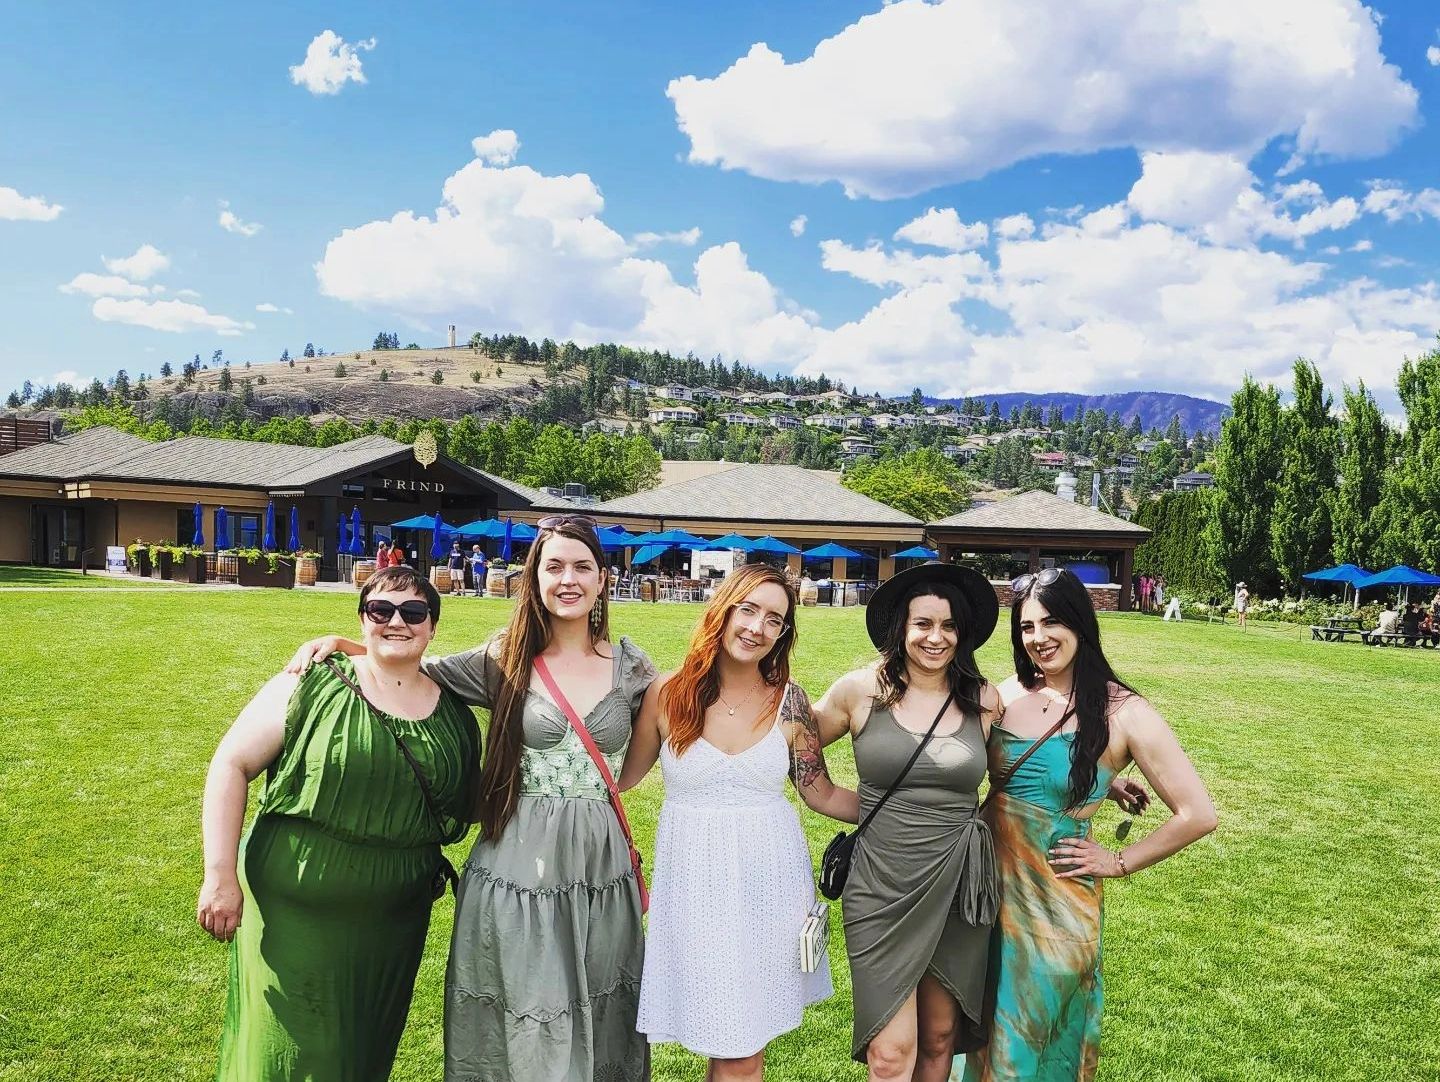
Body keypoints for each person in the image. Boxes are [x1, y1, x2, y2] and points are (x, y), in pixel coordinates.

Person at [286, 516, 656, 1081]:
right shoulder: (501, 657)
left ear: (603, 579)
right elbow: (410, 667)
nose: (568, 579)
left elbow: (653, 748)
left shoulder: (631, 667)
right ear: (534, 578)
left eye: (582, 567)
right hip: (517, 859)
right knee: (528, 1007)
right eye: (553, 566)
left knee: (604, 1007)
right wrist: (343, 644)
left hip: (600, 863)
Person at [199, 566, 480, 1080]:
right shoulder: (311, 681)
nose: (397, 621)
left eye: (413, 612)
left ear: (433, 628)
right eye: (381, 610)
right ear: (362, 618)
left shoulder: (453, 714)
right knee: (283, 1053)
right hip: (295, 911)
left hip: (393, 924)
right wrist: (219, 875)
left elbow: (472, 802)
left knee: (360, 1054)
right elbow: (230, 764)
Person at [962, 567, 1217, 1082]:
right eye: (1026, 627)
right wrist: (1100, 782)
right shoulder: (1004, 695)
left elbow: (1198, 814)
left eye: (1051, 622)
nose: (1038, 638)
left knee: (1037, 1038)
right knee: (984, 1035)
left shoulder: (1125, 712)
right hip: (985, 896)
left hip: (1056, 908)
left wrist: (1119, 861)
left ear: (1081, 622)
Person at [620, 564, 858, 1081]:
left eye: (774, 619)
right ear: (723, 610)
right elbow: (621, 780)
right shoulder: (668, 694)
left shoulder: (790, 702)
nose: (757, 627)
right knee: (727, 1042)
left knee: (741, 1051)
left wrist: (908, 811)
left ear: (783, 634)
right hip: (694, 887)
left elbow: (822, 793)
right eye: (748, 610)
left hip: (769, 887)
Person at [808, 562, 1005, 1082]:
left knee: (940, 1038)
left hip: (959, 882)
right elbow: (792, 741)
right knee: (891, 1053)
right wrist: (829, 796)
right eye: (923, 624)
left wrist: (1106, 783)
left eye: (947, 626)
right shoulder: (858, 691)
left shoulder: (983, 699)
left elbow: (1022, 767)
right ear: (901, 627)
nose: (935, 638)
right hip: (880, 885)